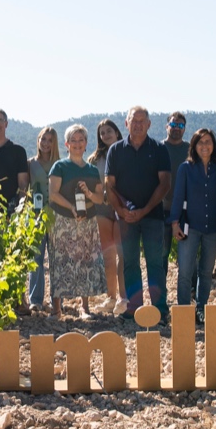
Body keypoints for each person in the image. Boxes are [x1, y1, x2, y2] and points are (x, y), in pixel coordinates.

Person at [105, 105, 173, 322]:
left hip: (152, 217)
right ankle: (134, 308)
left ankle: (160, 311)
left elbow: (165, 183)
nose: (138, 124)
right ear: (126, 123)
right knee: (130, 262)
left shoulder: (159, 149)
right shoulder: (115, 150)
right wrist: (121, 211)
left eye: (142, 121)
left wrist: (144, 210)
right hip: (126, 218)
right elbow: (109, 185)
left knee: (155, 263)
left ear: (149, 124)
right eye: (134, 121)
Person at [46, 124, 105, 318]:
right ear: (67, 144)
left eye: (81, 140)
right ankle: (56, 309)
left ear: (86, 144)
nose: (77, 143)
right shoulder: (59, 166)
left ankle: (84, 308)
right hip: (63, 221)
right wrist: (71, 207)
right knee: (60, 261)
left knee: (85, 261)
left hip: (87, 221)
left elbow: (99, 198)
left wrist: (88, 193)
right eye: (73, 140)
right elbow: (53, 194)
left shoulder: (92, 170)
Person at [170, 128, 216, 308]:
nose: (204, 146)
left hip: (214, 228)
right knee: (185, 272)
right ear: (194, 145)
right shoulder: (185, 168)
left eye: (208, 142)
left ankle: (201, 310)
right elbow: (178, 196)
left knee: (206, 272)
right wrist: (174, 223)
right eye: (200, 142)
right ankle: (184, 312)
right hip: (190, 226)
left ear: (214, 145)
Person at [88, 118, 126, 314]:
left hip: (121, 209)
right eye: (102, 133)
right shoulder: (94, 159)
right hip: (102, 210)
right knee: (108, 257)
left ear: (117, 132)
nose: (105, 135)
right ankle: (111, 297)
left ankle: (123, 298)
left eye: (108, 131)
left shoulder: (127, 153)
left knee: (122, 255)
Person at [27, 127, 62, 315]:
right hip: (35, 216)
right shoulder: (30, 164)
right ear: (38, 140)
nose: (46, 143)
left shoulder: (60, 164)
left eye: (50, 140)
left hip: (56, 216)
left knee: (56, 259)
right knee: (36, 258)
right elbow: (24, 190)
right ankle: (35, 300)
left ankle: (57, 301)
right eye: (43, 139)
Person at [161, 112, 189, 227]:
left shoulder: (191, 150)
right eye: (173, 124)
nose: (177, 128)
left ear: (184, 129)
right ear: (167, 126)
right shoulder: (158, 148)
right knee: (163, 245)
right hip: (161, 209)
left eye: (181, 126)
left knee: (185, 244)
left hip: (185, 210)